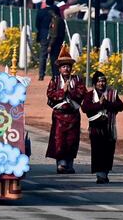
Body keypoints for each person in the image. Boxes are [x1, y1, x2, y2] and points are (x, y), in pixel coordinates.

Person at [46, 44, 86, 173]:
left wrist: (71, 92)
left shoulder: (78, 80)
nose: (66, 69)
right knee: (59, 140)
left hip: (73, 115)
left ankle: (69, 163)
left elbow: (82, 93)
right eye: (64, 66)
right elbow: (50, 94)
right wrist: (62, 92)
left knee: (72, 140)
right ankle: (61, 164)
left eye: (68, 66)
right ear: (59, 69)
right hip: (59, 115)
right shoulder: (55, 80)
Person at [81, 70, 123, 184]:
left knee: (108, 151)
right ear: (95, 83)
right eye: (99, 81)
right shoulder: (90, 95)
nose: (101, 84)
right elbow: (85, 108)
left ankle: (105, 173)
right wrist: (98, 105)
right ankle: (100, 175)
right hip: (96, 128)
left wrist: (106, 104)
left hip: (109, 128)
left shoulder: (112, 94)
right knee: (97, 151)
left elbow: (120, 106)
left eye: (103, 81)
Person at [37, 0, 65, 80]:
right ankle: (55, 75)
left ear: (46, 2)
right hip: (55, 37)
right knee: (54, 56)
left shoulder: (41, 11)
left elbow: (37, 24)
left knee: (43, 55)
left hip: (45, 35)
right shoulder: (56, 9)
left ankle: (41, 75)